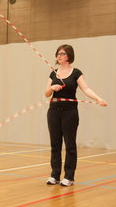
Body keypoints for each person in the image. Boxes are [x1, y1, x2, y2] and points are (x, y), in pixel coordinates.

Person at [45, 44, 107, 187]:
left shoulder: (76, 73)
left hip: (70, 113)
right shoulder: (53, 73)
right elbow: (46, 93)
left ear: (69, 56)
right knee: (55, 145)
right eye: (58, 53)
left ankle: (69, 176)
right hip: (53, 111)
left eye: (62, 53)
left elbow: (86, 89)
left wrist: (98, 99)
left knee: (70, 145)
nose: (58, 56)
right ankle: (54, 175)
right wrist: (52, 88)